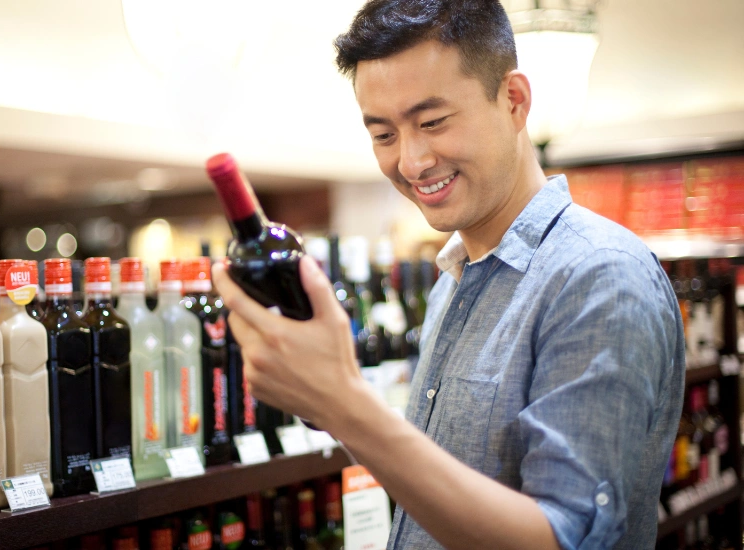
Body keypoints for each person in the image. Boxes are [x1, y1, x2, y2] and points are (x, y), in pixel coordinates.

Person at [211, 1, 685, 548]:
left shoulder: (600, 276)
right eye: (384, 135)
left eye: (432, 122)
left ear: (513, 100)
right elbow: (437, 482)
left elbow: (564, 538)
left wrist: (346, 404)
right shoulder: (452, 282)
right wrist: (325, 402)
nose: (411, 163)